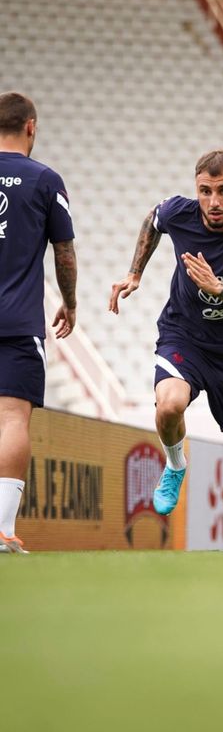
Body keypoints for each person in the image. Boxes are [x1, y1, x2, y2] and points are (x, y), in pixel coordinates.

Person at [109, 150, 223, 552]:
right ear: (196, 189)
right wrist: (135, 273)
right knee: (168, 405)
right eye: (205, 191)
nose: (213, 202)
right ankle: (176, 465)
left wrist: (218, 288)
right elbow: (154, 219)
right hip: (184, 335)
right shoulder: (179, 212)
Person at [0, 91, 77, 554]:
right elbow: (63, 252)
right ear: (31, 127)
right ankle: (3, 530)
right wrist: (70, 302)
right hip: (16, 320)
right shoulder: (45, 180)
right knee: (11, 418)